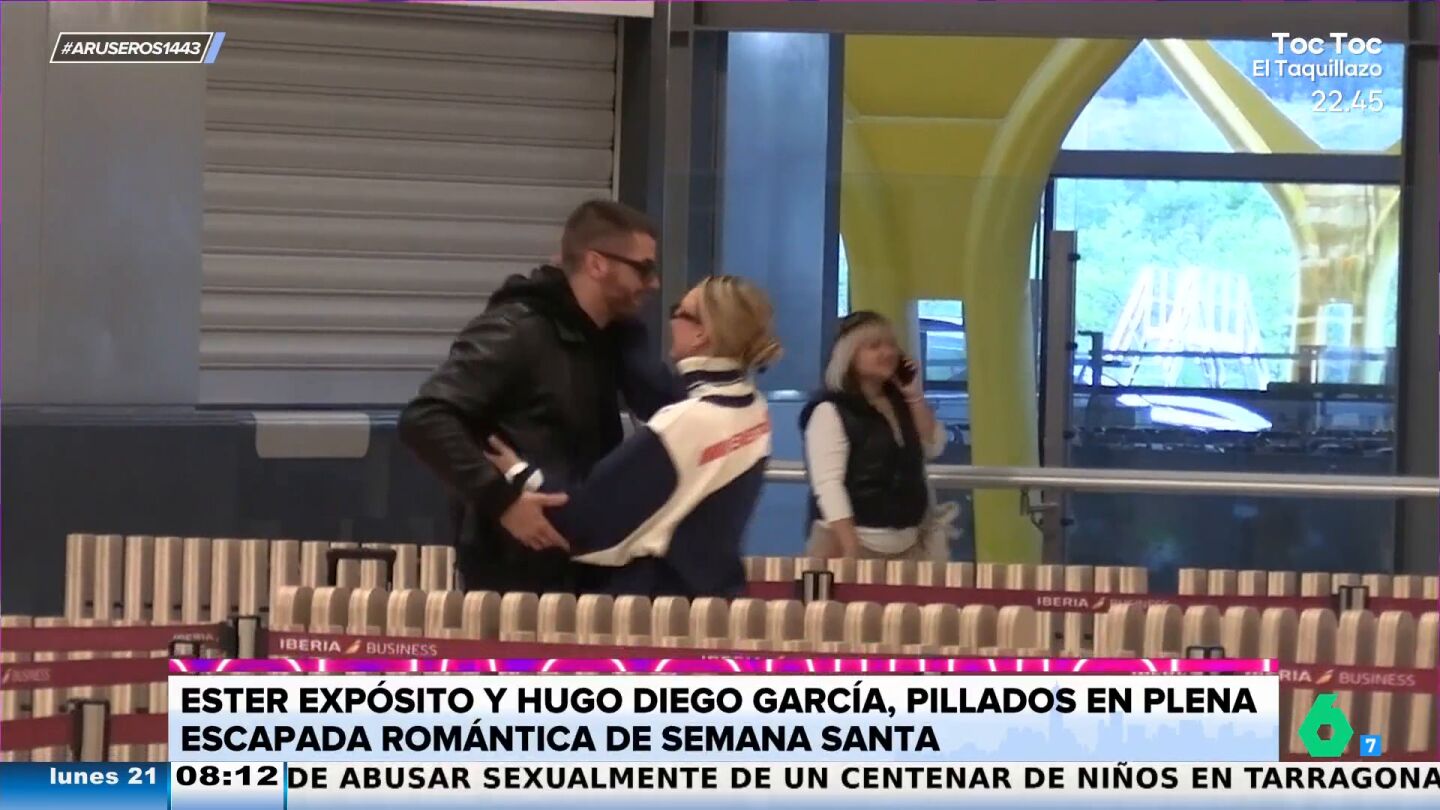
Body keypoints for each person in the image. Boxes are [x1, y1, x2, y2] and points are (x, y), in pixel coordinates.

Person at [398, 200, 681, 595]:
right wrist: (504, 503)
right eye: (643, 269)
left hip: (587, 562)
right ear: (597, 264)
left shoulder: (611, 339)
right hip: (517, 572)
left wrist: (635, 343)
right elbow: (425, 418)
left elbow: (670, 412)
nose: (654, 284)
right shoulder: (518, 330)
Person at [482, 275, 781, 598]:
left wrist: (517, 471)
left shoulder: (686, 422)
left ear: (701, 334)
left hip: (657, 609)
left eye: (678, 311)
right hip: (717, 600)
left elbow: (584, 519)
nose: (670, 321)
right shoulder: (755, 410)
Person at [799, 310, 957, 561]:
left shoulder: (901, 405)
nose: (888, 353)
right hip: (850, 543)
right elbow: (828, 485)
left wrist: (914, 395)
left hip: (908, 543)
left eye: (891, 345)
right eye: (874, 346)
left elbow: (932, 447)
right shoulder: (830, 411)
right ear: (849, 355)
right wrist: (850, 547)